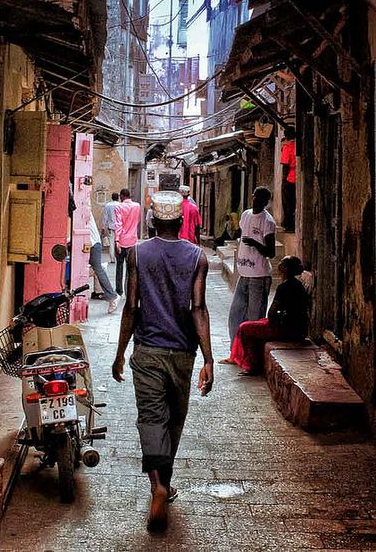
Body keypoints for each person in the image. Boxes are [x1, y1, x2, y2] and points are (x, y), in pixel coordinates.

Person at [112, 191, 213, 533]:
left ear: (153, 220)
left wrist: (120, 352)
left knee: (151, 418)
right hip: (184, 353)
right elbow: (198, 308)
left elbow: (131, 306)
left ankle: (157, 484)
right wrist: (209, 359)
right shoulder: (197, 257)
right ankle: (165, 485)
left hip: (148, 351)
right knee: (174, 420)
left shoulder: (137, 254)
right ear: (182, 221)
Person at [220, 186, 276, 363]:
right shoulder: (245, 215)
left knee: (254, 319)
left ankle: (253, 359)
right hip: (244, 274)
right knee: (235, 315)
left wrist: (254, 242)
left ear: (266, 202)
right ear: (252, 197)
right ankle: (236, 354)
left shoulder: (268, 222)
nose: (256, 201)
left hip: (258, 276)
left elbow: (271, 252)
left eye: (261, 199)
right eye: (255, 198)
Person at [230, 256, 308, 374]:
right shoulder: (298, 285)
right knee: (258, 323)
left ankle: (253, 365)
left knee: (245, 328)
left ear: (286, 269)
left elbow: (271, 313)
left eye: (282, 263)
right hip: (298, 328)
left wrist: (276, 317)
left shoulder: (284, 287)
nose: (279, 265)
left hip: (287, 329)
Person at [89, 215, 119, 313]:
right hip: (94, 243)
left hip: (92, 244)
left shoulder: (83, 210)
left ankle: (111, 295)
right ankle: (110, 295)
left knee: (97, 269)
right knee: (97, 269)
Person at [114, 188, 141, 296]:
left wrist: (116, 240)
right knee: (131, 268)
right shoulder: (137, 206)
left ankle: (119, 290)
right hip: (132, 241)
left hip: (121, 240)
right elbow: (137, 221)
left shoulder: (119, 207)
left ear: (121, 196)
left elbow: (118, 224)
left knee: (119, 266)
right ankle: (128, 290)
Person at [280, 126, 296, 232]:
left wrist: (283, 180)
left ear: (286, 136)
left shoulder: (287, 147)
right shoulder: (298, 146)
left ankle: (289, 225)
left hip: (290, 178)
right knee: (294, 202)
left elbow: (285, 165)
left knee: (287, 203)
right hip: (297, 178)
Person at [102, 192, 119, 263]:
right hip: (119, 227)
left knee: (111, 243)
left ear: (112, 197)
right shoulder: (120, 205)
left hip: (111, 227)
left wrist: (103, 227)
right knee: (119, 242)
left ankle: (112, 259)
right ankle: (119, 257)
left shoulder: (107, 205)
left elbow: (105, 217)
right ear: (118, 197)